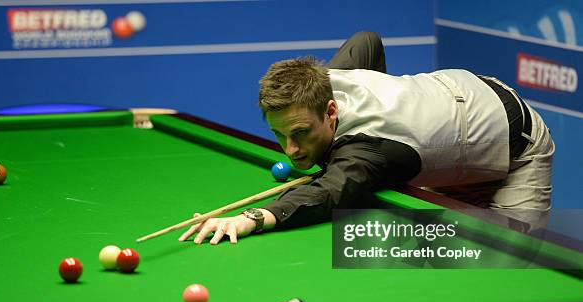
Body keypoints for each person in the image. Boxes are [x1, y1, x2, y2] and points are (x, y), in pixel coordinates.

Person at [178, 32, 555, 245]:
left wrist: (254, 218)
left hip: (515, 142)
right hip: (461, 109)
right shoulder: (327, 79)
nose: (291, 151)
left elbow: (329, 192)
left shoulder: (368, 150)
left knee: (513, 257)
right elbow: (367, 42)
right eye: (279, 135)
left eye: (300, 134)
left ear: (330, 111)